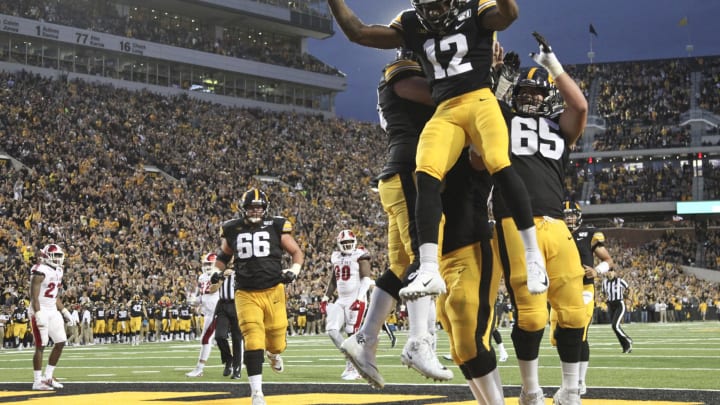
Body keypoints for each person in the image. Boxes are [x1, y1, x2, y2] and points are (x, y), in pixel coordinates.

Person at [327, 0, 548, 305]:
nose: (433, 13)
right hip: (447, 109)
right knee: (426, 172)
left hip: (479, 99)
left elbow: (508, 14)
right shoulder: (410, 26)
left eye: (438, 5)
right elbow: (359, 33)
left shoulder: (475, 9)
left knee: (498, 161)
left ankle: (534, 256)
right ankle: (429, 266)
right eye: (427, 7)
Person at [482, 33, 588, 405]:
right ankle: (531, 390)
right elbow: (482, 116)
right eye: (523, 92)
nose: (530, 97)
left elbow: (581, 106)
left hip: (557, 225)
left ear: (548, 98)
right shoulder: (500, 116)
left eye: (537, 93)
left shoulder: (561, 127)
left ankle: (571, 390)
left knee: (574, 311)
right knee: (531, 316)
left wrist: (553, 66)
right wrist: (494, 76)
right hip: (513, 222)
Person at [339, 48, 451, 389]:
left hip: (399, 175)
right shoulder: (401, 72)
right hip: (408, 171)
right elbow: (437, 95)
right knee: (423, 257)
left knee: (401, 264)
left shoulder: (409, 73)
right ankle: (419, 341)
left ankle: (364, 339)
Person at [210, 188, 304, 405]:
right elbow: (224, 256)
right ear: (243, 208)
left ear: (265, 208)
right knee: (252, 338)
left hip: (273, 290)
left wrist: (294, 271)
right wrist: (214, 271)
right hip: (245, 293)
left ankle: (274, 354)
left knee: (277, 340)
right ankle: (257, 393)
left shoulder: (277, 225)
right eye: (252, 207)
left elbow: (296, 252)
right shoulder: (232, 228)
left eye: (259, 207)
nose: (255, 211)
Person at [554, 200, 615, 395]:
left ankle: (579, 382)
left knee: (580, 333)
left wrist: (597, 270)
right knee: (558, 337)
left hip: (583, 288)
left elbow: (608, 260)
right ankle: (568, 381)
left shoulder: (588, 234)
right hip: (561, 289)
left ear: (579, 216)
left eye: (572, 214)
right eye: (566, 214)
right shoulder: (555, 234)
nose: (569, 218)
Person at [323, 229, 373, 380]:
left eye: (350, 242)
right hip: (341, 299)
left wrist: (359, 298)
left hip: (356, 298)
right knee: (331, 330)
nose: (347, 245)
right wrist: (326, 297)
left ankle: (356, 367)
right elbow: (334, 279)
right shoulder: (336, 256)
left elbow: (366, 280)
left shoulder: (360, 255)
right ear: (339, 243)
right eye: (344, 242)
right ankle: (351, 360)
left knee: (352, 332)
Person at [29, 244, 75, 391]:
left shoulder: (59, 271)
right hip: (40, 309)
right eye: (55, 256)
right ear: (47, 256)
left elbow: (54, 296)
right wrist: (38, 314)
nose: (58, 259)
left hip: (52, 309)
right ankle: (37, 381)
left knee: (61, 342)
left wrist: (65, 311)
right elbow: (33, 297)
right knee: (40, 345)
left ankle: (48, 376)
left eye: (59, 256)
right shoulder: (39, 271)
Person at [186, 252, 222, 377]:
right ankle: (236, 361)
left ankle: (199, 368)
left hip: (216, 311)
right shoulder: (201, 277)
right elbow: (203, 296)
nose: (207, 266)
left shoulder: (219, 275)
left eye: (210, 264)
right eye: (206, 263)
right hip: (207, 312)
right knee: (214, 339)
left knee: (206, 339)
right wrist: (194, 301)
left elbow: (214, 291)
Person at [214, 256, 243, 379]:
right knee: (219, 336)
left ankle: (237, 368)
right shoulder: (218, 272)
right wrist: (222, 276)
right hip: (223, 305)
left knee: (237, 339)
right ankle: (228, 360)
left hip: (237, 305)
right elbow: (213, 287)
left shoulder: (242, 271)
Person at [602, 269, 633, 354]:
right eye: (608, 271)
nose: (610, 273)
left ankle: (628, 340)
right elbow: (603, 293)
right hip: (610, 305)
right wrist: (604, 300)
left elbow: (630, 289)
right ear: (606, 273)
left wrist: (629, 299)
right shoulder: (604, 282)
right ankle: (625, 346)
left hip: (619, 304)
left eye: (611, 271)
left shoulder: (620, 281)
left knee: (615, 325)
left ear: (614, 272)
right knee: (614, 327)